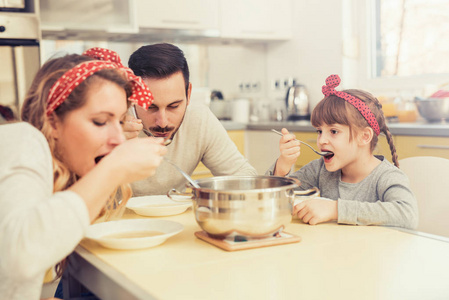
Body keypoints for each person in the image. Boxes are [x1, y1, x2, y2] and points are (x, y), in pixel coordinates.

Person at [0, 48, 167, 300]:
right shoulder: (22, 139)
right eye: (100, 121)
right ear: (53, 122)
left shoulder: (55, 174)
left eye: (120, 122)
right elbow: (19, 256)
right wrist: (114, 169)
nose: (118, 139)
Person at [267, 74, 418, 229]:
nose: (321, 140)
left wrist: (335, 209)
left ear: (364, 137)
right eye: (319, 131)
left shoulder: (386, 177)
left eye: (333, 131)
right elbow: (270, 200)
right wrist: (282, 167)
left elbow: (407, 215)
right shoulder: (319, 170)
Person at [124, 43, 257, 195]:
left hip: (179, 215)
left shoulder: (199, 119)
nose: (163, 122)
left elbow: (244, 177)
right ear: (132, 95)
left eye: (174, 106)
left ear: (188, 94)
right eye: (151, 107)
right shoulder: (112, 122)